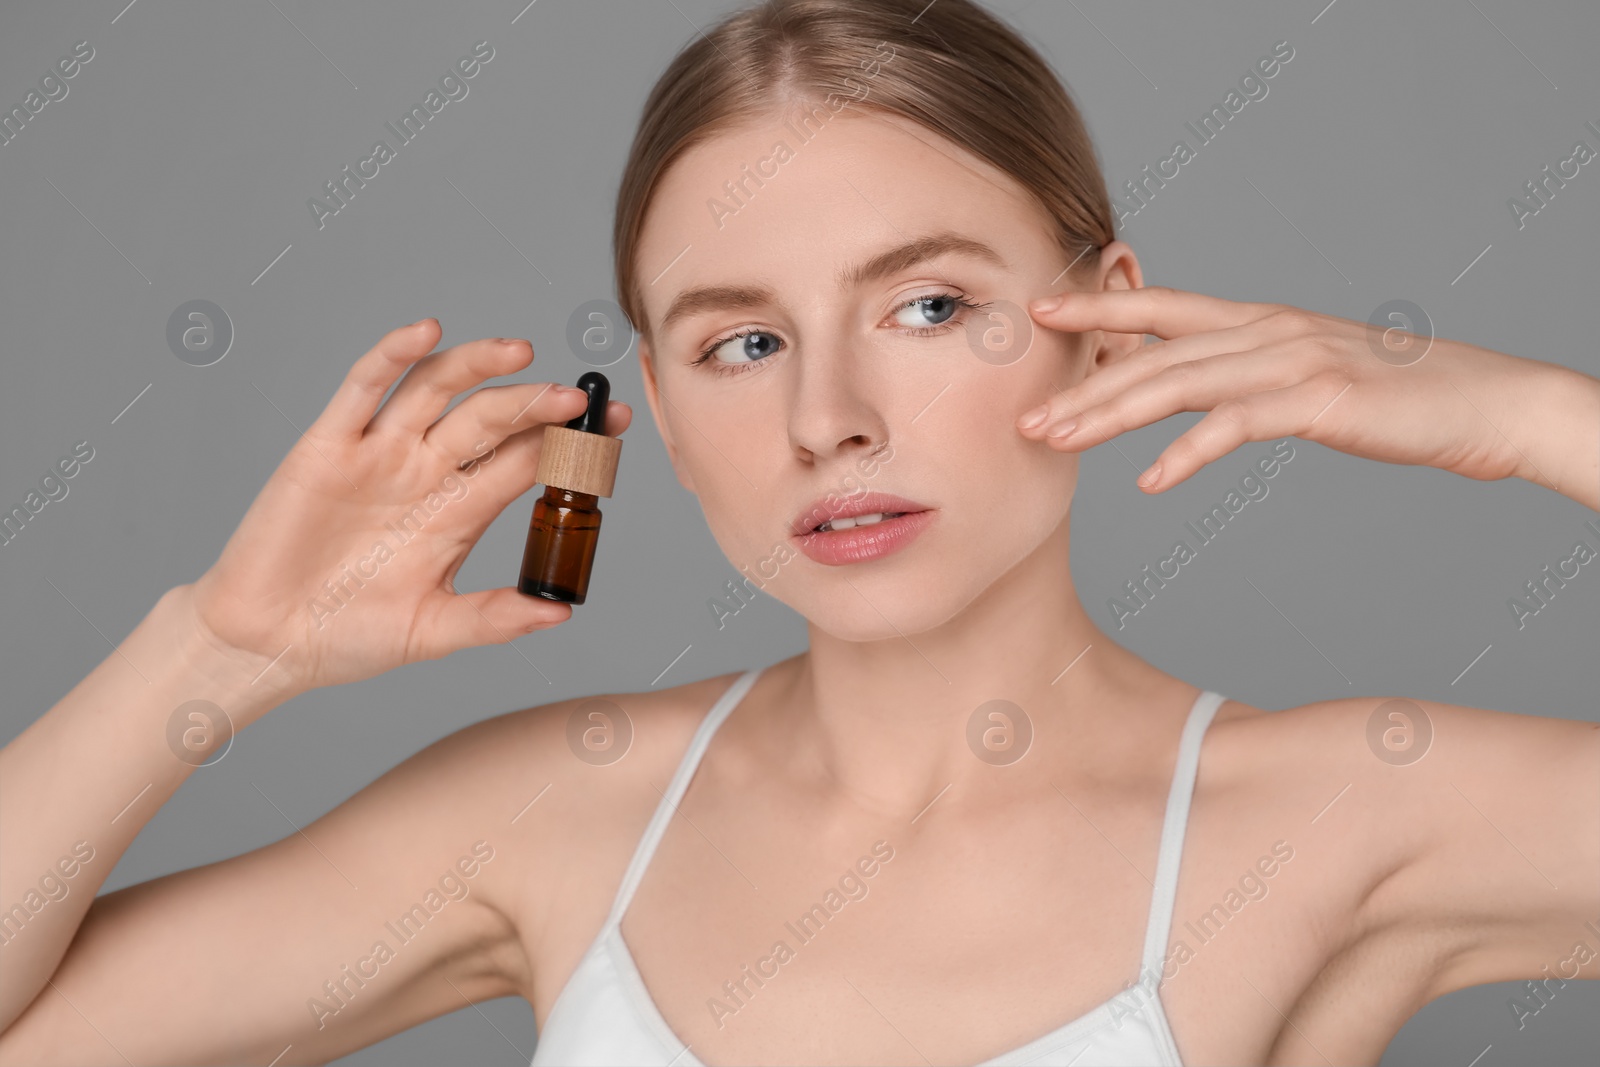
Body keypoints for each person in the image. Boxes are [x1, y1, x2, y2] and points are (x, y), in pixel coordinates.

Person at [3, 0, 1597, 1063]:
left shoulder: (1352, 812)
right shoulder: (559, 814)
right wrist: (217, 648)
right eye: (740, 343)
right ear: (661, 418)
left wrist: (1535, 418)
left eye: (926, 304)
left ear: (1108, 328)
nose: (829, 414)